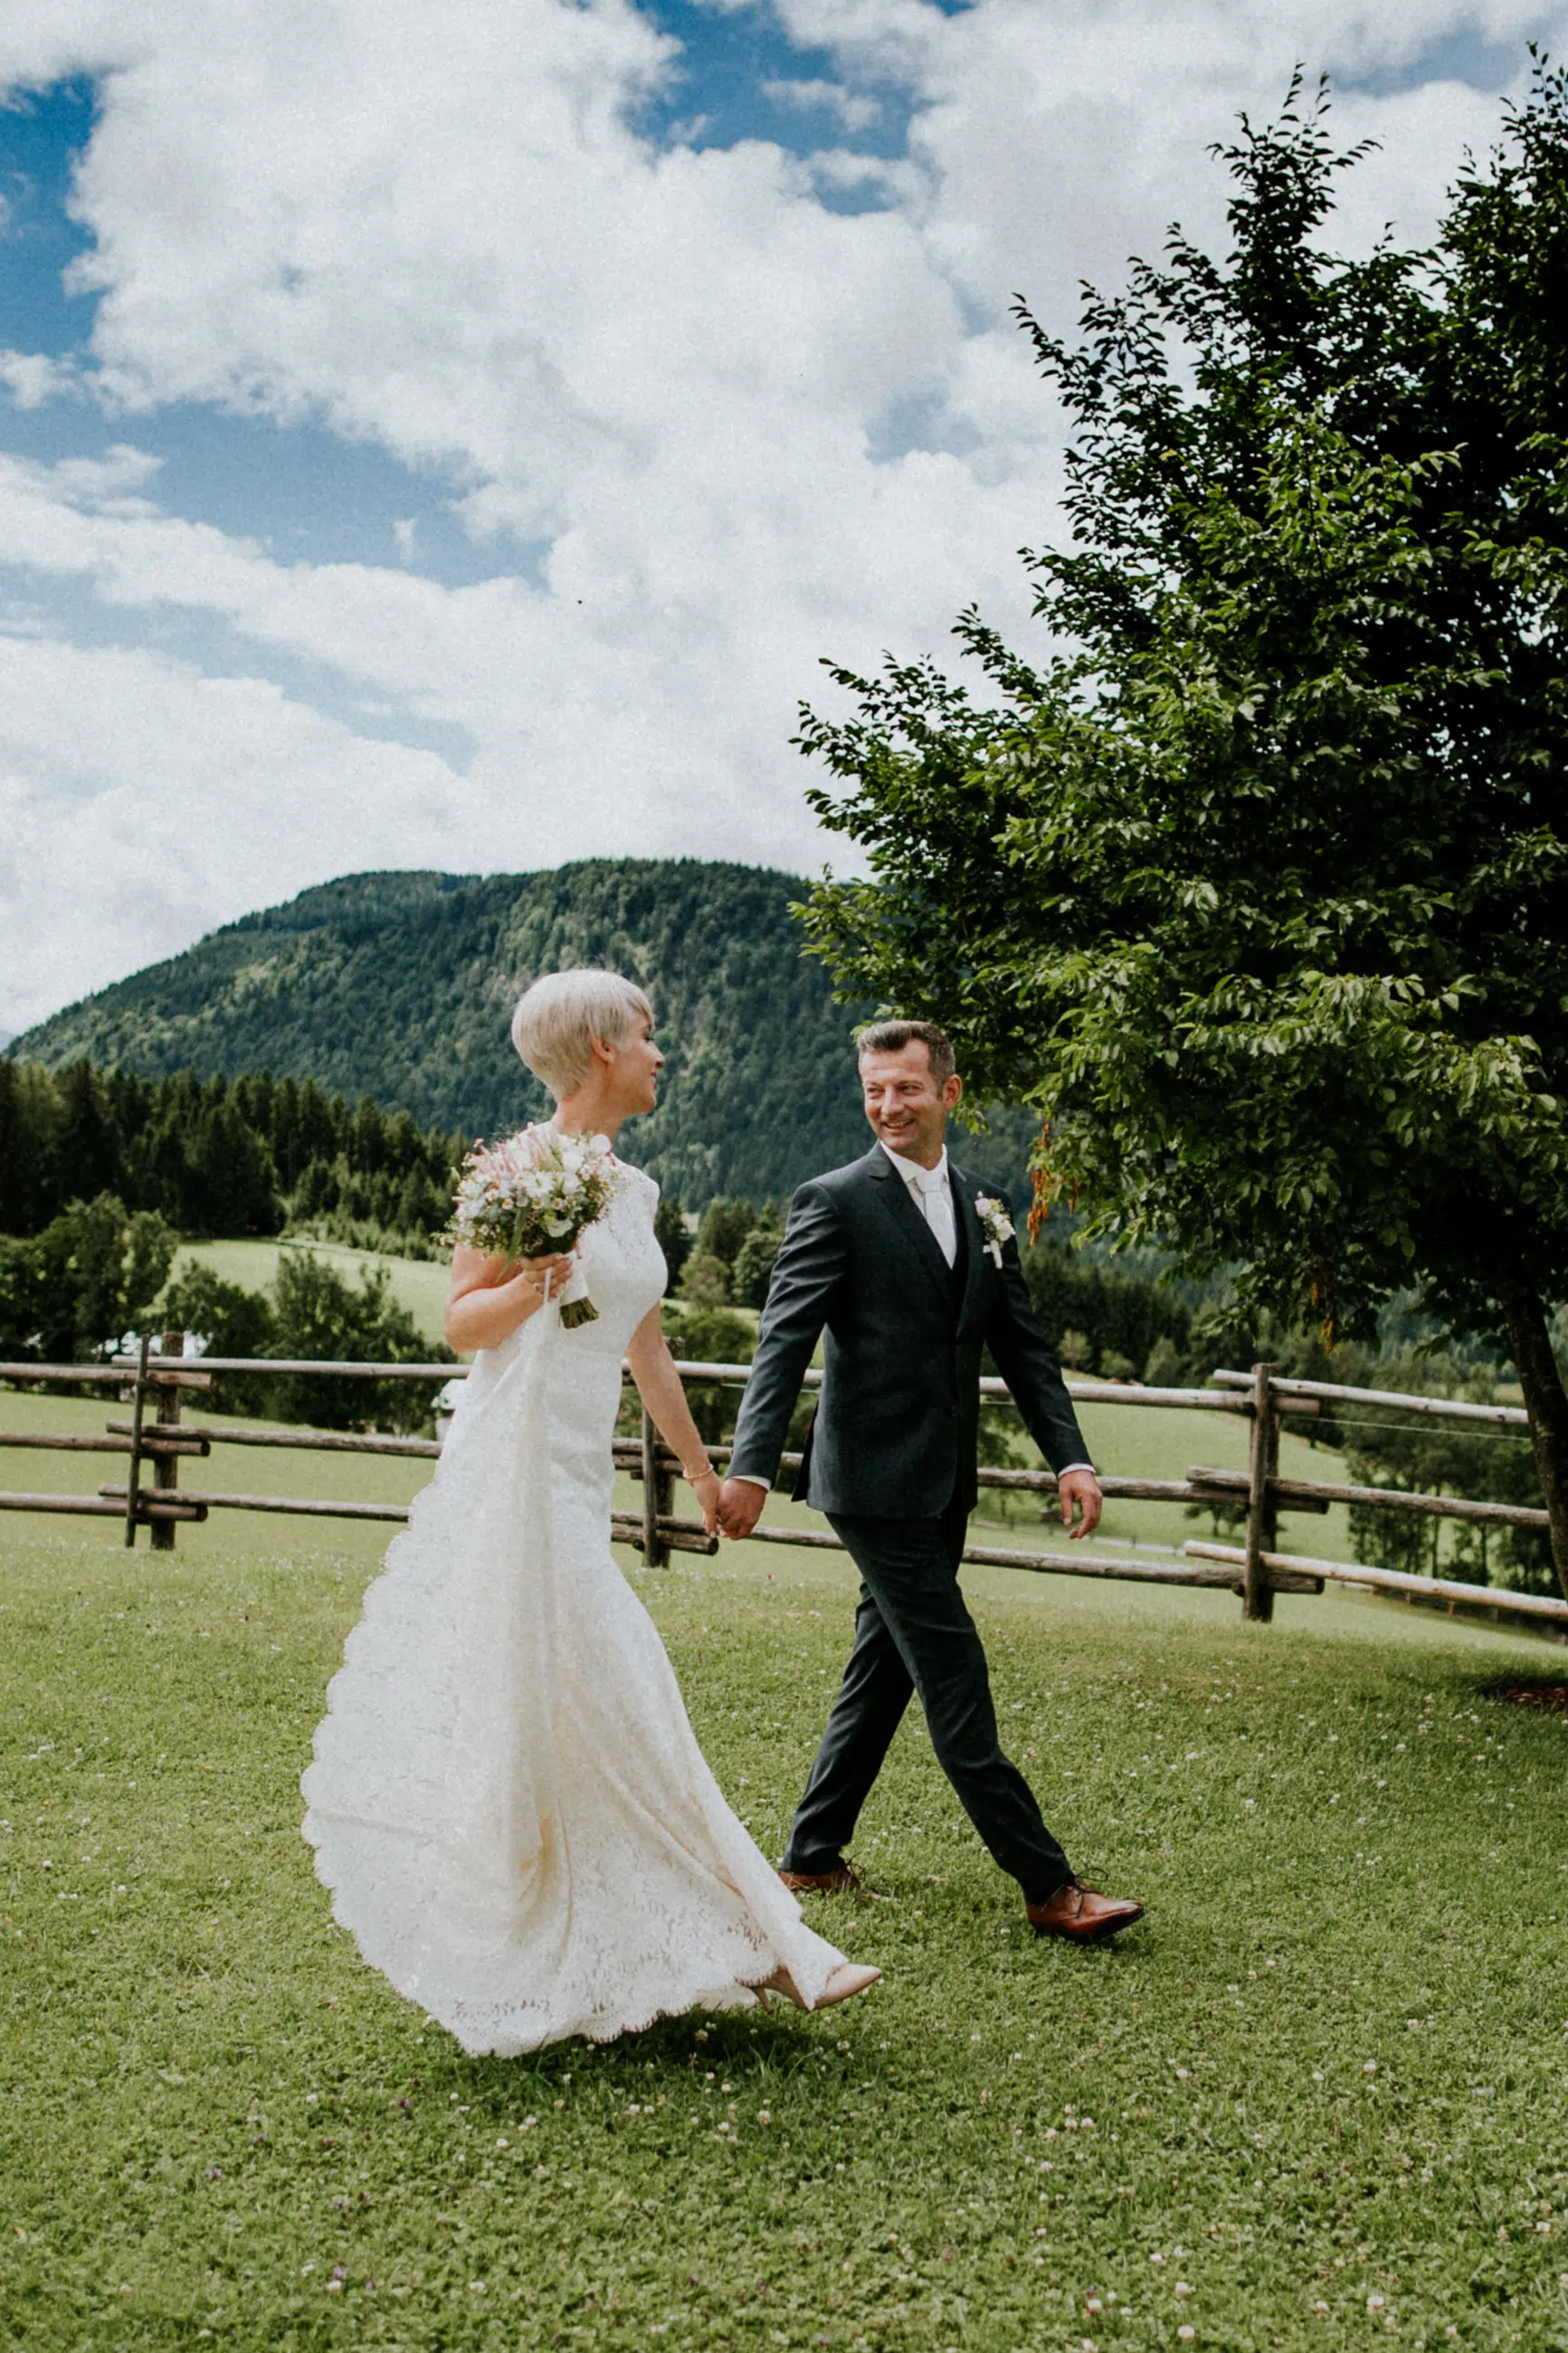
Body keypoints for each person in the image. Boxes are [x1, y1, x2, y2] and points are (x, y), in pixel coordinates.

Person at [302, 969, 879, 2053]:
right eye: (648, 1034)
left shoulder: (638, 1190)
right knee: (619, 1675)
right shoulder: (517, 1173)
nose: (662, 1052)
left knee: (581, 1693)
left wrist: (705, 1476)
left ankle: (691, 1934)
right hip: (513, 1465)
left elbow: (644, 1350)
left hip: (579, 1470)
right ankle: (771, 1940)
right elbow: (463, 1323)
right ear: (601, 1049)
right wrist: (533, 1281)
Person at [717, 1019, 1145, 1944]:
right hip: (868, 1482)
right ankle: (1048, 1884)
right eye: (873, 1089)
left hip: (942, 1477)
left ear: (947, 1093)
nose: (886, 1105)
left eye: (905, 1088)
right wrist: (749, 1466)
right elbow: (782, 1340)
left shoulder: (983, 1203)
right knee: (953, 1671)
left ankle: (810, 1852)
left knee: (883, 1667)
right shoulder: (831, 1200)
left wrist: (1068, 1455)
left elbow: (1020, 1346)